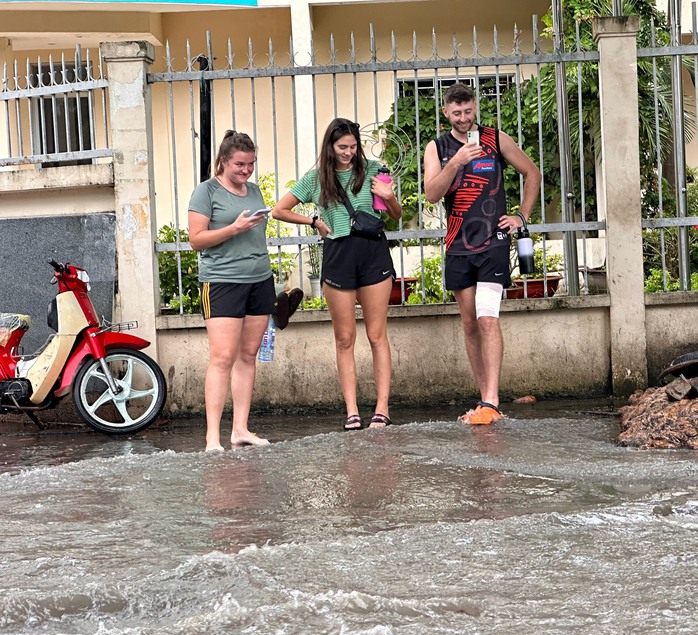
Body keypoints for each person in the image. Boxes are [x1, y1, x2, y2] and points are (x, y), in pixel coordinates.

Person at [272, 118, 402, 431]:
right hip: (339, 255)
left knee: (376, 334)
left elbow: (394, 216)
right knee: (344, 339)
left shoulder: (373, 169)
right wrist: (313, 220)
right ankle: (352, 412)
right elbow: (279, 210)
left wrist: (388, 194)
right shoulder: (317, 178)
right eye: (342, 147)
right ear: (330, 146)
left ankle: (382, 409)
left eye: (353, 146)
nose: (348, 152)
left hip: (372, 253)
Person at [424, 83, 542, 425]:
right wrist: (456, 163)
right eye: (457, 113)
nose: (464, 118)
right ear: (446, 112)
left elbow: (531, 172)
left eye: (468, 111)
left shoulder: (495, 138)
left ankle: (492, 400)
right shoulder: (438, 147)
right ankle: (483, 398)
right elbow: (432, 193)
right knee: (470, 323)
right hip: (458, 245)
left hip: (494, 241)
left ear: (475, 108)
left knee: (488, 317)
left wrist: (522, 216)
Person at [188, 130, 282, 451]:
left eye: (251, 164)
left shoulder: (254, 191)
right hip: (222, 281)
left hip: (259, 279)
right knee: (223, 357)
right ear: (224, 161)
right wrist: (233, 228)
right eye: (240, 164)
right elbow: (196, 239)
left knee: (247, 355)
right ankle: (212, 437)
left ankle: (240, 429)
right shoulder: (206, 192)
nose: (246, 170)